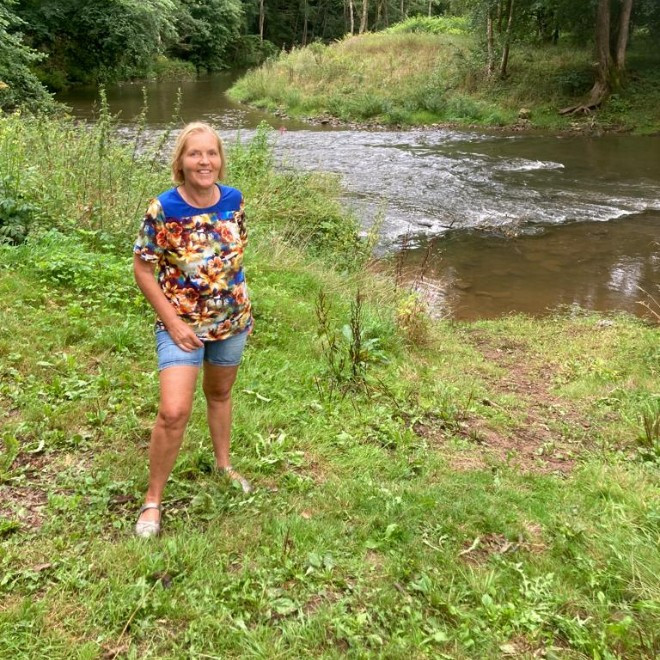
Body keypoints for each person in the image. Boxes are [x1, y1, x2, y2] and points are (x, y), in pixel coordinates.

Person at [133, 122, 252, 538]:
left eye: (211, 153)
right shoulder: (163, 209)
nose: (204, 161)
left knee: (219, 394)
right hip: (180, 326)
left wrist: (238, 305)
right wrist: (173, 322)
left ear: (220, 159)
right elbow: (142, 270)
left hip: (231, 322)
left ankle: (223, 466)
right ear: (181, 162)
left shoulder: (234, 200)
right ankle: (152, 500)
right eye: (195, 154)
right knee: (174, 411)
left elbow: (235, 257)